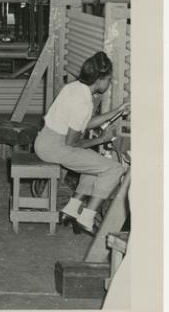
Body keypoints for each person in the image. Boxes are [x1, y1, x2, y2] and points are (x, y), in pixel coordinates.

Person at [34, 52, 130, 234]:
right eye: (108, 80)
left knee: (94, 162)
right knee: (114, 169)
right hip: (54, 147)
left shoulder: (74, 87)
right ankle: (86, 217)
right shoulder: (83, 101)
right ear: (99, 79)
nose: (109, 84)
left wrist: (117, 110)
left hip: (45, 140)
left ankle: (70, 210)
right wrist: (101, 139)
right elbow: (71, 144)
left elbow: (84, 122)